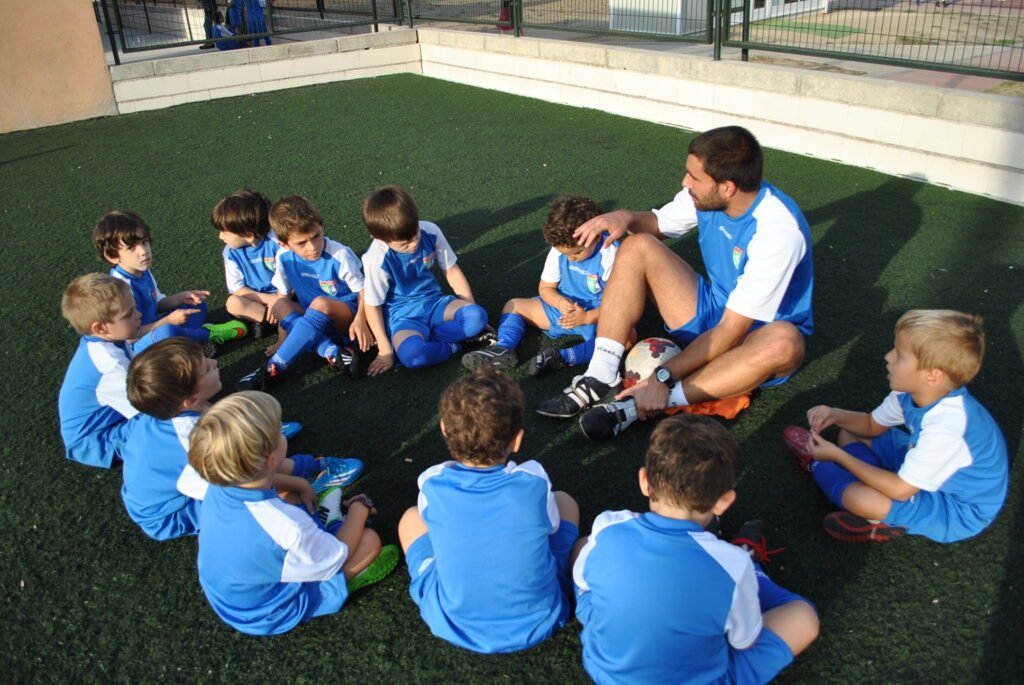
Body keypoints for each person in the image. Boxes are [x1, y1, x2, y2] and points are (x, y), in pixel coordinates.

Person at [537, 126, 813, 441]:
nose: (685, 182)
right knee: (637, 245)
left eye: (694, 177)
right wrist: (623, 217)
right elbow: (658, 224)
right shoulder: (707, 197)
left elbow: (732, 330)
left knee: (785, 343)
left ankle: (642, 403)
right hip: (713, 308)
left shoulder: (778, 232)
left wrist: (663, 378)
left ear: (728, 187)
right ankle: (600, 374)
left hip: (753, 339)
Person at [573, 414, 819, 684]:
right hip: (698, 672)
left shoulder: (609, 525)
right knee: (803, 617)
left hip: (605, 671)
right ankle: (756, 569)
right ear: (724, 502)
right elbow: (743, 640)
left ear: (644, 481)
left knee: (585, 544)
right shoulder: (733, 565)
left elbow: (581, 579)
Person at [783, 309, 1008, 543]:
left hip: (955, 507)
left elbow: (901, 489)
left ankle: (819, 466)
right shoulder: (912, 393)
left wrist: (838, 457)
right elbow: (870, 425)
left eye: (899, 355)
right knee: (850, 431)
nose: (888, 357)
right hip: (925, 468)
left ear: (932, 376)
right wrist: (835, 414)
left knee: (859, 499)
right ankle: (871, 484)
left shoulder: (946, 430)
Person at [397, 368, 579, 653]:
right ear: (517, 440)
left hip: (451, 620)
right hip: (542, 618)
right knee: (566, 501)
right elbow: (552, 528)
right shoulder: (534, 481)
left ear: (443, 429)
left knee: (410, 518)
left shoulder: (432, 482)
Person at [189, 391, 398, 636]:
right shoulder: (284, 525)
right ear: (271, 459)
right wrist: (358, 508)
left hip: (233, 594)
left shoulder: (220, 484)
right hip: (269, 611)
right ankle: (343, 584)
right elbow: (338, 556)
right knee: (369, 542)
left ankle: (321, 532)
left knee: (294, 495)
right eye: (278, 431)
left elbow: (268, 487)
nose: (282, 431)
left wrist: (300, 483)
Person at [122, 337, 362, 541]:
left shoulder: (164, 412)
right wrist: (296, 483)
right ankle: (319, 500)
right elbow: (238, 481)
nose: (215, 363)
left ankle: (305, 463)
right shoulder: (191, 438)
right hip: (174, 512)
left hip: (158, 497)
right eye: (207, 368)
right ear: (189, 400)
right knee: (269, 489)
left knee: (260, 459)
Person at [462, 195, 628, 376]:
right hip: (562, 312)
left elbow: (621, 305)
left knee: (626, 338)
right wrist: (559, 302)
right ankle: (503, 347)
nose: (571, 258)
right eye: (566, 254)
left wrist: (588, 317)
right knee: (514, 305)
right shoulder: (559, 251)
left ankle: (561, 357)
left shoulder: (612, 254)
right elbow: (546, 288)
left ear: (596, 236)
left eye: (577, 253)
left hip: (599, 314)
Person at [236, 195, 371, 390]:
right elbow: (282, 297)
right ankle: (334, 352)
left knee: (320, 303)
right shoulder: (283, 258)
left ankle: (272, 368)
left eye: (316, 236)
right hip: (312, 319)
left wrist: (360, 320)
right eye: (302, 243)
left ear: (321, 226)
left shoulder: (339, 254)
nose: (313, 246)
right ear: (283, 243)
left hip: (346, 320)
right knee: (280, 304)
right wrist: (284, 341)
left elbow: (364, 291)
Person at [360, 186, 490, 375]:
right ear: (379, 238)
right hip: (403, 317)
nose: (413, 244)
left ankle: (435, 338)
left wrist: (470, 309)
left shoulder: (430, 230)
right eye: (404, 243)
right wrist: (385, 350)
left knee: (477, 316)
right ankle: (454, 346)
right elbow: (372, 306)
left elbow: (451, 270)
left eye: (415, 235)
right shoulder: (375, 259)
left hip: (435, 303)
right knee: (413, 357)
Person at [94, 210, 246, 356]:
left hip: (154, 327)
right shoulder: (120, 288)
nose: (143, 251)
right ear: (112, 256)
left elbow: (157, 304)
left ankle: (187, 344)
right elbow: (131, 336)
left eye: (144, 242)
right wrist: (168, 321)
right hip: (137, 346)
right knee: (168, 332)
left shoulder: (142, 270)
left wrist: (181, 298)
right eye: (131, 248)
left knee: (197, 306)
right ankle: (206, 335)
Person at [58, 274, 141, 468]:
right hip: (95, 442)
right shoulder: (109, 365)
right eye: (129, 314)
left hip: (110, 421)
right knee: (164, 426)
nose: (138, 315)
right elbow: (150, 408)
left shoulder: (108, 342)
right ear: (101, 328)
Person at [211, 189, 281, 338]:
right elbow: (237, 288)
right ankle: (277, 321)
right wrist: (270, 300)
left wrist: (280, 299)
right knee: (233, 303)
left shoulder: (277, 242)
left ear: (248, 235)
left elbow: (294, 276)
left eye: (225, 232)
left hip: (286, 296)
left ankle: (270, 322)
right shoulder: (230, 253)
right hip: (258, 299)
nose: (220, 236)